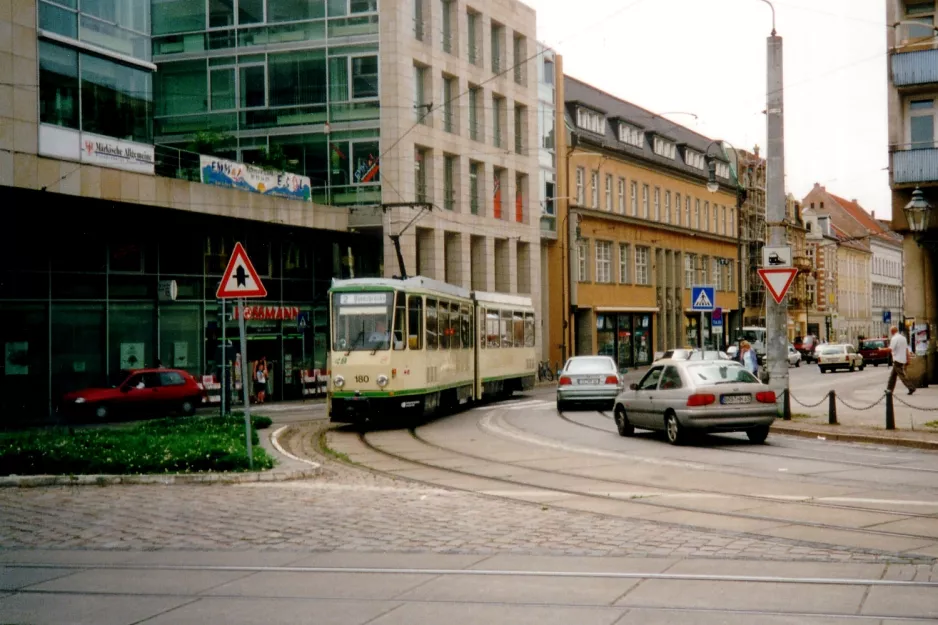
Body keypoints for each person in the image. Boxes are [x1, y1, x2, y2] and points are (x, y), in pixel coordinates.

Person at [887, 326, 915, 395]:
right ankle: (889, 389)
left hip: (897, 359)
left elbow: (891, 349)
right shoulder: (903, 338)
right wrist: (908, 358)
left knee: (902, 376)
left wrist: (882, 349)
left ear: (892, 331)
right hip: (902, 359)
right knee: (892, 376)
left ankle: (911, 387)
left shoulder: (894, 338)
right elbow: (906, 349)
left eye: (891, 331)